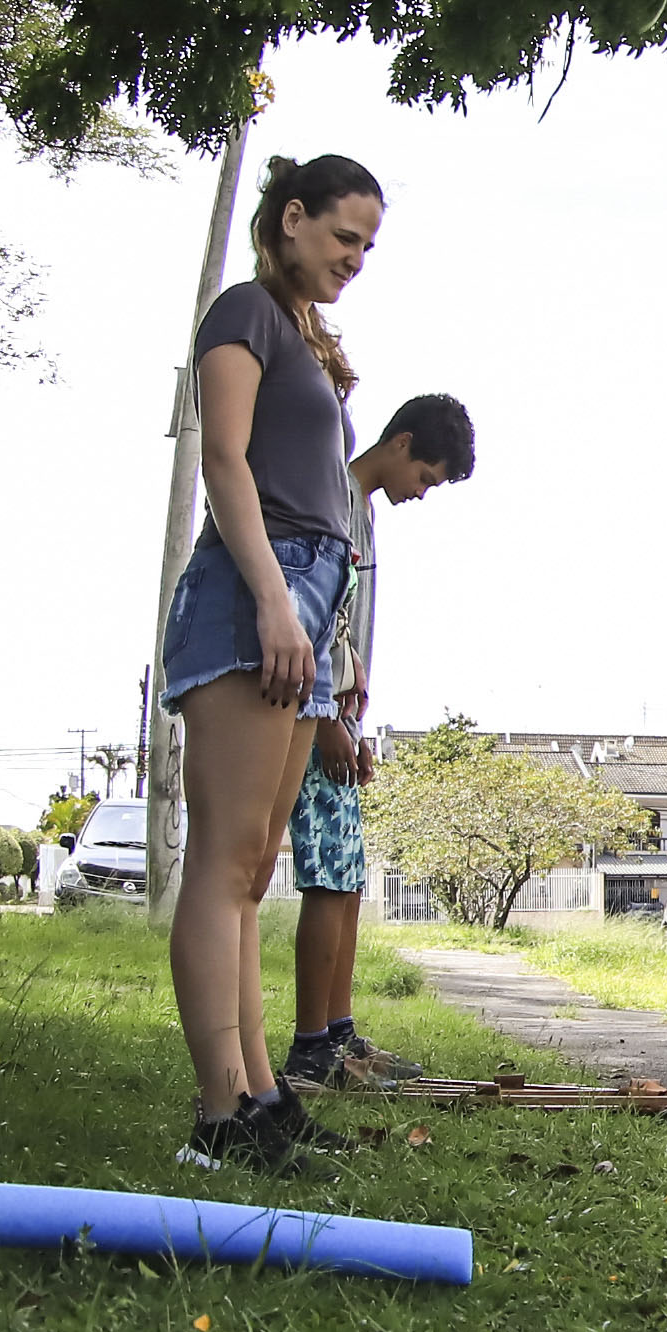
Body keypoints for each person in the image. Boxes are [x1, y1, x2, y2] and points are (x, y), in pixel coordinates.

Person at [159, 153, 386, 1174]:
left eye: (368, 246)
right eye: (345, 236)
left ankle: (259, 1091)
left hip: (306, 590)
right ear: (291, 219)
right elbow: (224, 462)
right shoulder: (241, 313)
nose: (356, 259)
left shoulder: (299, 333)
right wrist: (269, 598)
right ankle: (218, 1116)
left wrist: (320, 621)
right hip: (260, 586)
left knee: (254, 871)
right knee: (223, 861)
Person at [280, 394, 477, 1092]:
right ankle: (311, 1048)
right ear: (400, 443)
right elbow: (307, 616)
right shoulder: (331, 495)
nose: (420, 493)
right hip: (312, 707)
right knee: (328, 877)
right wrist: (327, 714)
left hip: (343, 712)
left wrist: (356, 727)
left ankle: (338, 1033)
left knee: (350, 878)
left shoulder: (361, 512)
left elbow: (352, 634)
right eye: (425, 476)